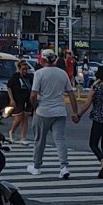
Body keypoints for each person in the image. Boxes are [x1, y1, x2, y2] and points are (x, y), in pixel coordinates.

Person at [28, 49, 74, 177]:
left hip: (43, 111)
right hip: (60, 111)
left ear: (42, 60)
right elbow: (71, 93)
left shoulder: (39, 74)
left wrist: (34, 106)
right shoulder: (63, 73)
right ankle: (64, 166)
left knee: (39, 140)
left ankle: (36, 166)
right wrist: (75, 112)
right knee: (60, 140)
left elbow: (33, 94)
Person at [7, 58, 35, 148]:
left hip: (27, 99)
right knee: (18, 118)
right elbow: (9, 87)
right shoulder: (15, 77)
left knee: (25, 118)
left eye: (26, 69)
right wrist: (11, 99)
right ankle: (12, 131)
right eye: (23, 69)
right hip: (18, 99)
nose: (25, 71)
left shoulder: (30, 77)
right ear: (19, 69)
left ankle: (23, 137)